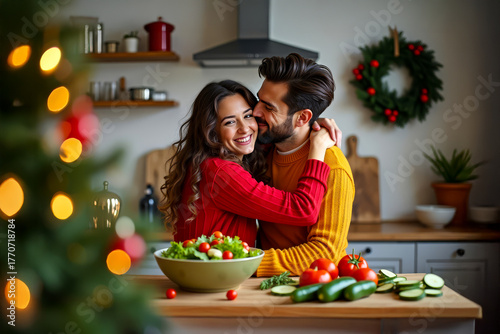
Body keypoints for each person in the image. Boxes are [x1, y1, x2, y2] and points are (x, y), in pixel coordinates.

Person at [159, 80, 336, 246]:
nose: (244, 128)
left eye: (248, 116)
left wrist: (306, 123)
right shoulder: (221, 172)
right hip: (214, 278)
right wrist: (318, 148)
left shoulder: (213, 162)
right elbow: (303, 210)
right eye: (230, 122)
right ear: (211, 131)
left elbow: (280, 138)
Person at [253, 53, 355, 277]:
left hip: (312, 287)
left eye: (268, 108)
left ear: (302, 118)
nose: (255, 112)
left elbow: (323, 254)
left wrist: (247, 262)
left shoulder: (333, 167)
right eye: (258, 99)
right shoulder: (262, 148)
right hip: (267, 284)